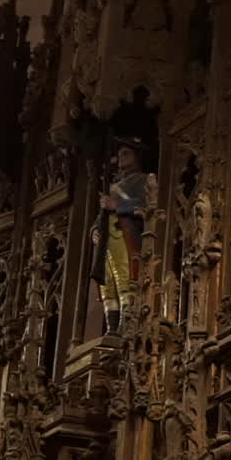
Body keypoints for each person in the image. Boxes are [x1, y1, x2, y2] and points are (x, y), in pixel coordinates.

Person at [90, 136, 149, 335]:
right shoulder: (114, 185)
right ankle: (112, 327)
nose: (121, 157)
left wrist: (118, 205)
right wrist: (95, 231)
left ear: (137, 156)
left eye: (126, 153)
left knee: (125, 278)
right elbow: (101, 216)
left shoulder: (143, 180)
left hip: (126, 235)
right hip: (108, 239)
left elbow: (147, 206)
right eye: (119, 154)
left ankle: (126, 324)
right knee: (107, 284)